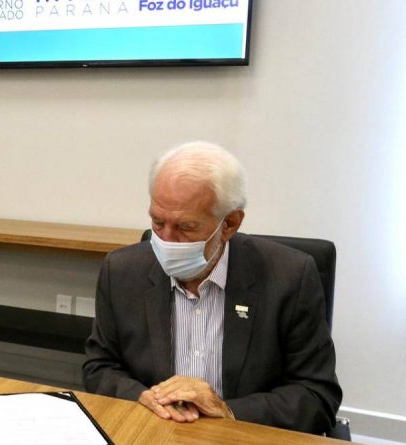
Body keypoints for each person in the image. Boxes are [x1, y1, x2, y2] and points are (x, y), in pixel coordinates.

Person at [82, 141, 342, 435]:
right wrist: (141, 397)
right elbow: (99, 367)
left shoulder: (289, 277)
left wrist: (227, 410)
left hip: (241, 437)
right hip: (153, 433)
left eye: (186, 227)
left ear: (229, 224)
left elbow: (317, 394)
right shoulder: (122, 271)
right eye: (157, 222)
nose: (167, 240)